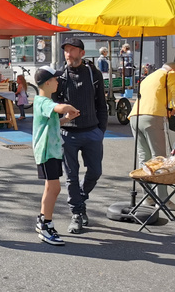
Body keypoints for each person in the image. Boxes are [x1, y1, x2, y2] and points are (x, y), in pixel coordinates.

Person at [53, 38, 108, 234]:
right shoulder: (59, 76)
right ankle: (76, 213)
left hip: (92, 132)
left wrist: (101, 131)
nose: (68, 54)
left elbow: (102, 105)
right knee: (71, 177)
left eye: (72, 50)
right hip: (68, 134)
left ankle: (80, 199)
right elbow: (54, 105)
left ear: (82, 53)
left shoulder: (94, 74)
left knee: (95, 172)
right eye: (66, 50)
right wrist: (62, 121)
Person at [32, 66, 80, 245]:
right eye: (55, 79)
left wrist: (67, 119)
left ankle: (43, 220)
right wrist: (69, 107)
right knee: (54, 188)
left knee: (50, 187)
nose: (58, 82)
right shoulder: (43, 101)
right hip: (46, 152)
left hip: (51, 151)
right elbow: (59, 107)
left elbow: (53, 122)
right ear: (47, 83)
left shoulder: (44, 102)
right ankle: (46, 225)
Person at [129, 62, 175, 211]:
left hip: (135, 116)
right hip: (153, 116)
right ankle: (163, 200)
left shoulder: (149, 76)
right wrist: (173, 110)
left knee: (144, 158)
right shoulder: (170, 74)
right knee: (159, 159)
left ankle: (147, 197)